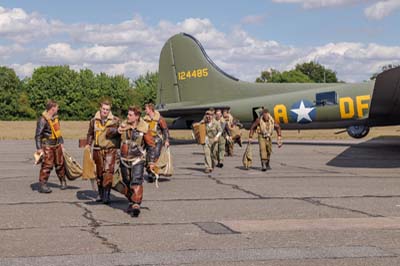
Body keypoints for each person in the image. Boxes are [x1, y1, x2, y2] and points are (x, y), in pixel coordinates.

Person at [116, 106, 156, 217]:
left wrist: (151, 162)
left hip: (138, 159)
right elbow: (111, 135)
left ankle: (136, 204)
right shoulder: (123, 125)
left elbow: (151, 145)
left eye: (130, 115)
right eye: (127, 114)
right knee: (127, 181)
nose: (127, 117)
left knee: (136, 180)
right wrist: (116, 130)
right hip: (124, 160)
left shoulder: (144, 128)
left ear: (137, 116)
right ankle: (131, 201)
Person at [85, 100, 120, 204]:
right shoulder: (93, 121)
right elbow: (90, 133)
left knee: (108, 172)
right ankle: (100, 194)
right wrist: (88, 144)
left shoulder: (115, 120)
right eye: (104, 109)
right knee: (99, 173)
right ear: (100, 108)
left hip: (110, 149)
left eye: (107, 109)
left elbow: (120, 135)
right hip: (97, 149)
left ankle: (107, 195)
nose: (105, 111)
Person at [35, 100, 67, 193]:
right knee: (47, 165)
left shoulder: (55, 118)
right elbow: (38, 135)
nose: (58, 109)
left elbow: (59, 132)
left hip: (57, 144)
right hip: (47, 145)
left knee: (60, 164)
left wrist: (61, 143)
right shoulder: (42, 119)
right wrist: (39, 148)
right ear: (52, 109)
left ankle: (63, 181)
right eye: (57, 107)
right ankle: (43, 184)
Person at [143, 103, 170, 182]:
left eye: (146, 109)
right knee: (147, 157)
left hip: (157, 140)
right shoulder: (145, 119)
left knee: (155, 157)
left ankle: (154, 173)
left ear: (150, 109)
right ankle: (150, 173)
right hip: (148, 140)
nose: (145, 110)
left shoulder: (159, 118)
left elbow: (165, 130)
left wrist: (167, 140)